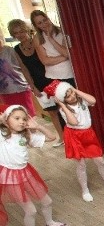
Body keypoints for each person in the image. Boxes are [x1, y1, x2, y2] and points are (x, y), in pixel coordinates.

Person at [44, 80, 104, 202]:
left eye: (72, 93)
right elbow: (74, 122)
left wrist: (74, 90)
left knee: (100, 161)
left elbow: (93, 100)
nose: (72, 96)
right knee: (81, 164)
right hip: (75, 136)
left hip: (88, 134)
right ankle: (85, 190)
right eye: (68, 96)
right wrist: (63, 106)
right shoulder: (63, 110)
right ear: (62, 100)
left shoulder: (82, 100)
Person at [0, 105, 66, 226]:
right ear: (7, 120)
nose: (21, 121)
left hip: (25, 173)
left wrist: (39, 127)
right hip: (10, 177)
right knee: (31, 211)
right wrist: (2, 120)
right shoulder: (2, 135)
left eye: (24, 119)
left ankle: (50, 222)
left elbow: (52, 137)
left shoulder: (26, 136)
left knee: (47, 201)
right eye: (17, 118)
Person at [8, 19, 65, 145]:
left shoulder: (38, 40)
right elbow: (24, 69)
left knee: (63, 108)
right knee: (52, 112)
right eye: (16, 33)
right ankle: (62, 138)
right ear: (13, 35)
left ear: (27, 29)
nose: (20, 34)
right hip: (38, 83)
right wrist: (33, 86)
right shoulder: (16, 49)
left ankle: (72, 137)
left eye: (21, 30)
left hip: (52, 79)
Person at [31, 10, 75, 146]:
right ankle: (70, 141)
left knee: (76, 106)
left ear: (48, 18)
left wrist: (50, 39)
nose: (43, 24)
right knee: (62, 109)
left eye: (44, 20)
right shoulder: (37, 39)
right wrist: (64, 57)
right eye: (39, 23)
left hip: (70, 75)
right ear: (36, 26)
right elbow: (45, 61)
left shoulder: (62, 32)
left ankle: (82, 137)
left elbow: (67, 52)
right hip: (54, 78)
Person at [0, 29, 36, 117]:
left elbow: (23, 66)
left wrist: (31, 83)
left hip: (20, 88)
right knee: (12, 116)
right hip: (4, 92)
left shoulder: (9, 50)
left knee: (28, 115)